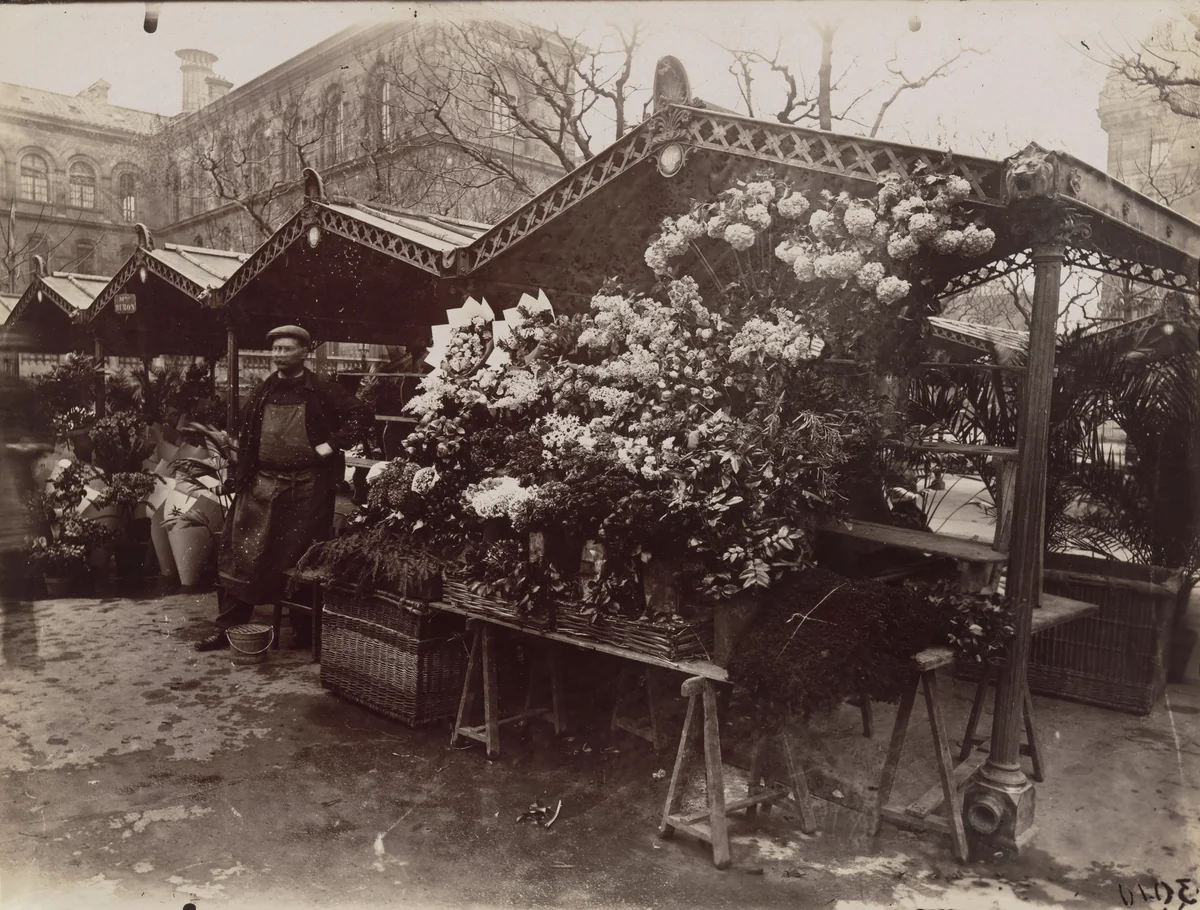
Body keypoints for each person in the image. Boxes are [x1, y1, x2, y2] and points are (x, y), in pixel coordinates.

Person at [195, 325, 370, 651]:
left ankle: (305, 632)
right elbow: (248, 437)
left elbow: (361, 413)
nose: (279, 354)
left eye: (286, 348)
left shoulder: (321, 389)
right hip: (261, 487)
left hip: (308, 491)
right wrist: (239, 472)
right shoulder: (263, 391)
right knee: (243, 556)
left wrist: (332, 445)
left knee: (303, 560)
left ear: (303, 352)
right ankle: (228, 628)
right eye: (275, 349)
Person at [0, 327, 52, 666]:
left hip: (14, 484)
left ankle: (21, 652)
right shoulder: (14, 389)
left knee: (15, 558)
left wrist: (29, 449)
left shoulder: (23, 390)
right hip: (8, 482)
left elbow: (44, 436)